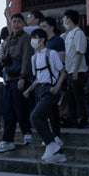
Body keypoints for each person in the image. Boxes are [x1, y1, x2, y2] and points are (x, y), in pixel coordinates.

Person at [25, 28, 66, 163]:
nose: (33, 41)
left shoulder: (51, 53)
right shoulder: (33, 57)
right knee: (50, 119)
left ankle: (50, 144)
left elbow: (62, 73)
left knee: (35, 117)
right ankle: (57, 150)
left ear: (42, 40)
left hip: (50, 90)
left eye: (34, 38)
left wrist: (56, 88)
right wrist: (29, 90)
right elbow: (38, 78)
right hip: (39, 91)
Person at [0, 13, 33, 152]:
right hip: (9, 78)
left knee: (20, 108)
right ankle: (7, 139)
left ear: (23, 24)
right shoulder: (9, 40)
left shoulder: (26, 39)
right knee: (7, 110)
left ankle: (27, 132)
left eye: (19, 22)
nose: (16, 24)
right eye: (14, 21)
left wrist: (23, 77)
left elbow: (26, 58)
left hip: (20, 78)